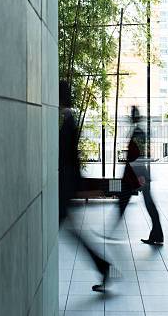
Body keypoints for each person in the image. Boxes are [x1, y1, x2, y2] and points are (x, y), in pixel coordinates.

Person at [58, 80, 110, 291]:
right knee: (72, 232)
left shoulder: (68, 119)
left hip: (65, 184)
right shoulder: (68, 118)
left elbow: (68, 155)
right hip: (66, 183)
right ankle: (102, 266)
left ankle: (103, 266)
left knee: (69, 232)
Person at [126, 106, 164, 245]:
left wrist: (140, 176)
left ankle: (157, 235)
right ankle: (157, 235)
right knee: (149, 204)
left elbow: (140, 155)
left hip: (140, 174)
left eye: (131, 115)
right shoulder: (138, 131)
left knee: (149, 204)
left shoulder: (138, 132)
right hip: (138, 174)